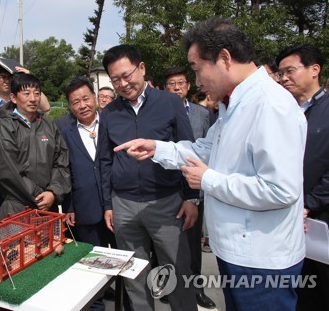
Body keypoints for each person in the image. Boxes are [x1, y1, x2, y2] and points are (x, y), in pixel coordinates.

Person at [115, 17, 307, 311]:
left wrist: (208, 181)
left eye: (196, 69)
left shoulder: (271, 106)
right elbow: (206, 148)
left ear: (224, 59)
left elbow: (280, 190)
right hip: (238, 252)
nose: (198, 81)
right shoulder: (235, 104)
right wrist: (157, 148)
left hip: (262, 259)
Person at [99, 44, 198, 311]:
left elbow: (188, 151)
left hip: (166, 204)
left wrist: (191, 198)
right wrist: (109, 205)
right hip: (124, 205)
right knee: (134, 275)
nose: (122, 83)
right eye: (115, 79)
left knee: (177, 270)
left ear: (141, 68)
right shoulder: (108, 113)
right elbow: (105, 161)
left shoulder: (170, 103)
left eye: (127, 74)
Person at [276, 43, 329, 311]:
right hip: (289, 214)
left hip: (319, 217)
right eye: (280, 73)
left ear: (314, 70)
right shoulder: (284, 111)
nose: (284, 78)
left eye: (290, 71)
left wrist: (310, 203)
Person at [56, 77, 116, 311]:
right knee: (91, 266)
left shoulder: (113, 122)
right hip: (84, 207)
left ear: (95, 98)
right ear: (70, 106)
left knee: (126, 259)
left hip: (117, 206)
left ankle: (130, 303)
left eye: (85, 98)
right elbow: (64, 170)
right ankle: (96, 306)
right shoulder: (63, 128)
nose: (82, 105)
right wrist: (69, 206)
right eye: (75, 102)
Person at [163, 66, 216, 309]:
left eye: (180, 83)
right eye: (171, 84)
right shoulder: (159, 112)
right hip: (166, 189)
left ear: (188, 86)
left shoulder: (202, 114)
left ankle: (197, 289)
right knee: (167, 245)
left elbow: (209, 150)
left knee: (193, 245)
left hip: (195, 187)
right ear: (165, 88)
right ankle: (167, 286)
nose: (176, 88)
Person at [0, 73, 71, 221]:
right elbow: (8, 171)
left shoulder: (50, 126)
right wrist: (38, 196)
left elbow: (61, 163)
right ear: (13, 98)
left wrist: (53, 192)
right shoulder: (4, 126)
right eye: (26, 94)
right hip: (17, 210)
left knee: (52, 244)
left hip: (48, 208)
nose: (33, 98)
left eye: (37, 93)